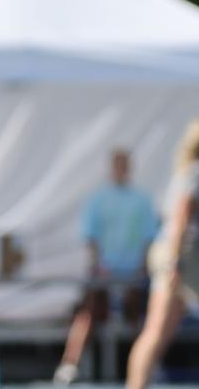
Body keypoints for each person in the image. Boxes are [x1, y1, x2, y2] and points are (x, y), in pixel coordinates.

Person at [53, 149, 159, 385]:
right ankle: (70, 364)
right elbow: (91, 238)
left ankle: (144, 366)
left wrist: (141, 268)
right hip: (105, 272)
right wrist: (101, 266)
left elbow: (148, 238)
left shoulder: (142, 200)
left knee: (138, 317)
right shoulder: (98, 199)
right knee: (89, 312)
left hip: (132, 274)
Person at [125, 120, 199, 389]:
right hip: (182, 261)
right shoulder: (195, 174)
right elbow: (180, 219)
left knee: (157, 333)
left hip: (180, 259)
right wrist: (175, 264)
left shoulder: (186, 173)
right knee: (155, 332)